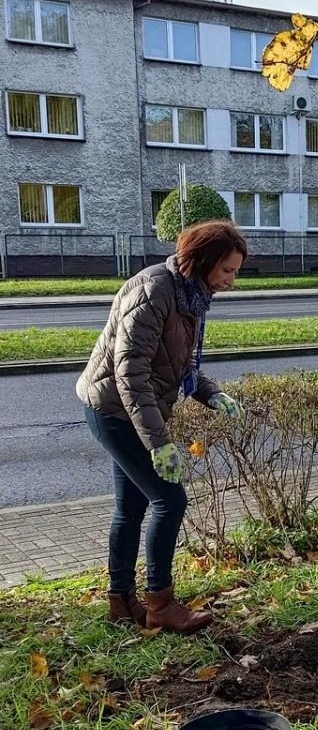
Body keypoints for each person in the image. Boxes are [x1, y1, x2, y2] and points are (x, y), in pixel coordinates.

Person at [76, 220, 247, 634]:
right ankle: (160, 604)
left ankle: (121, 602)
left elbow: (178, 364)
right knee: (170, 500)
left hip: (133, 408)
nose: (231, 281)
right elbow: (130, 373)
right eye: (227, 270)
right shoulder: (154, 290)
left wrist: (210, 393)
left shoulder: (191, 295)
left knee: (130, 508)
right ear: (203, 261)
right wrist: (159, 443)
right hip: (115, 410)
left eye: (235, 272)